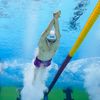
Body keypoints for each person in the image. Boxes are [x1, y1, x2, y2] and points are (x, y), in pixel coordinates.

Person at [33, 10, 61, 90]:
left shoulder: (56, 42)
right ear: (47, 39)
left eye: (53, 41)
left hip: (47, 61)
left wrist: (56, 19)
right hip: (40, 60)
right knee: (36, 73)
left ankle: (40, 83)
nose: (51, 42)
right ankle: (33, 84)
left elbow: (58, 34)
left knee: (41, 73)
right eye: (50, 40)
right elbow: (46, 32)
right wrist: (54, 18)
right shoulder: (42, 42)